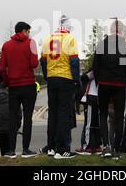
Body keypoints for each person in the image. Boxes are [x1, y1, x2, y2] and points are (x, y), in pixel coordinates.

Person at [40, 15, 80, 159]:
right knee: (64, 114)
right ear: (68, 28)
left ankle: (51, 147)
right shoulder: (70, 39)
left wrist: (47, 76)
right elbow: (74, 61)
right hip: (65, 78)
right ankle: (62, 149)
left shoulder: (48, 39)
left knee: (53, 114)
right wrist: (77, 80)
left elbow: (43, 61)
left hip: (52, 79)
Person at [93, 20, 126, 159]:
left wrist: (98, 82)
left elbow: (95, 67)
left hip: (103, 83)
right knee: (119, 116)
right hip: (120, 84)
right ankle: (116, 149)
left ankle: (106, 147)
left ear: (110, 30)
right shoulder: (125, 45)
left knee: (103, 114)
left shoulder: (102, 44)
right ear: (121, 31)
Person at [0, 22, 39, 158]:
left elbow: (2, 68)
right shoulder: (31, 43)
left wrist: (7, 81)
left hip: (14, 86)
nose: (29, 34)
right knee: (28, 118)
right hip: (28, 85)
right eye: (28, 31)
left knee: (12, 117)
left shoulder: (6, 45)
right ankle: (25, 150)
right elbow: (34, 64)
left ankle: (11, 150)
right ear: (24, 31)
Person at [76, 71, 102, 155]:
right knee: (96, 124)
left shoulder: (94, 72)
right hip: (100, 98)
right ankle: (97, 146)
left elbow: (84, 78)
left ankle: (87, 146)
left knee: (88, 124)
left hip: (91, 98)